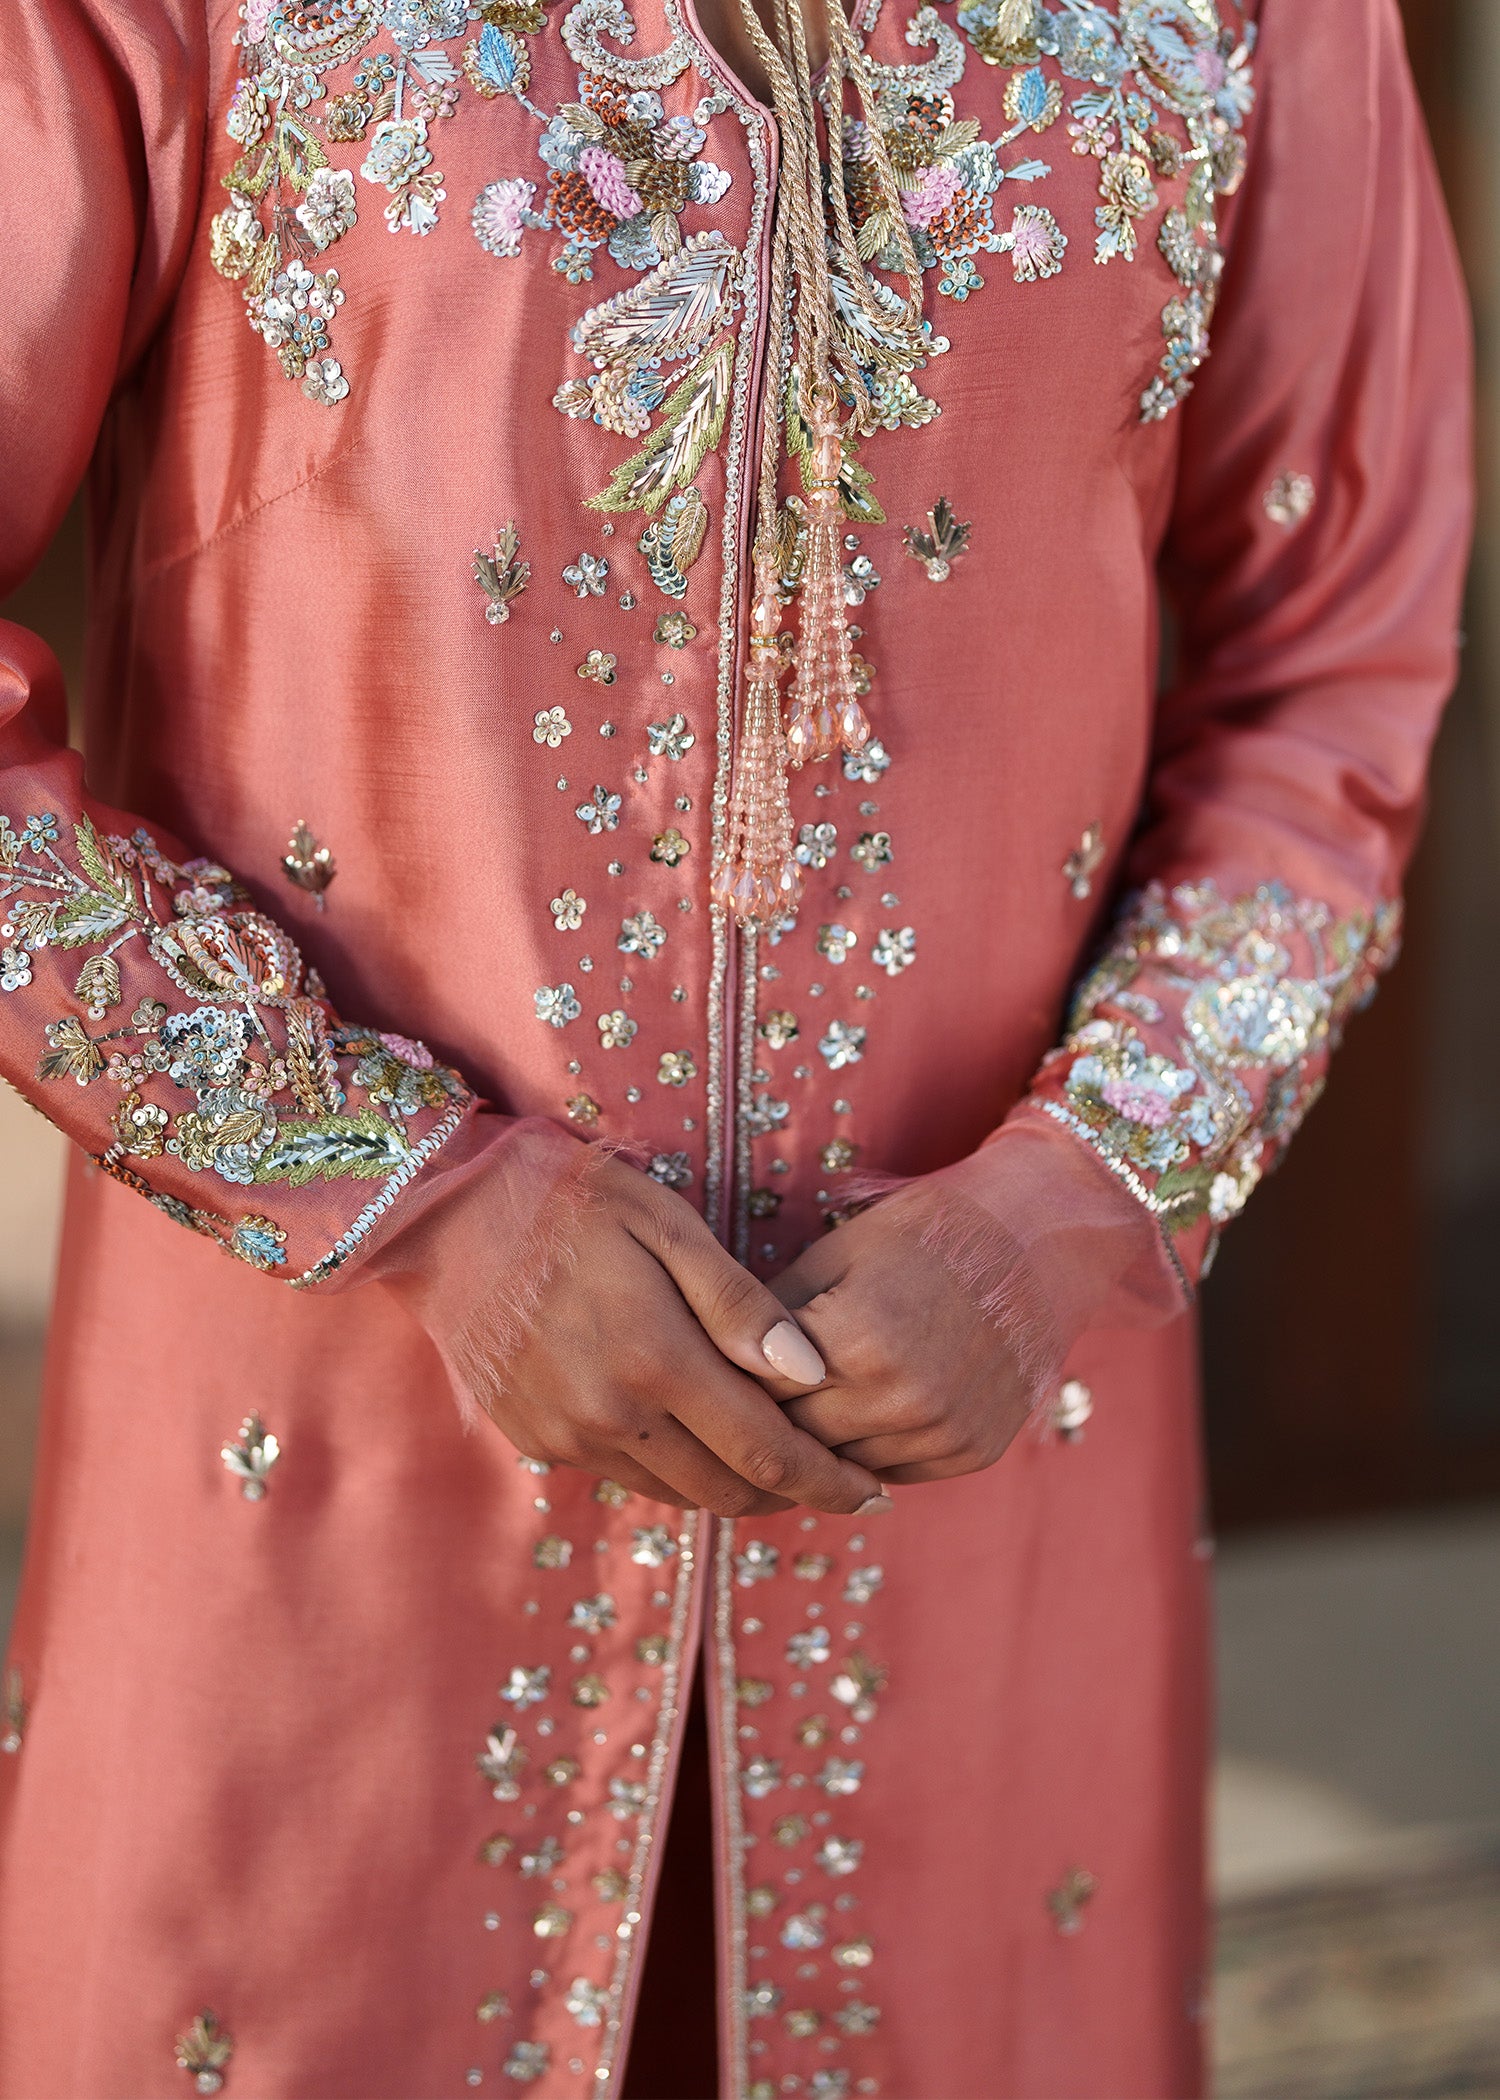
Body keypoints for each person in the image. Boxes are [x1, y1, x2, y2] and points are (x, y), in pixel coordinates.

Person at [0, 0, 1470, 2092]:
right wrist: (407, 1194)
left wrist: (1073, 1203)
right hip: (333, 1458)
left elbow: (1336, 677)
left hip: (974, 1424)